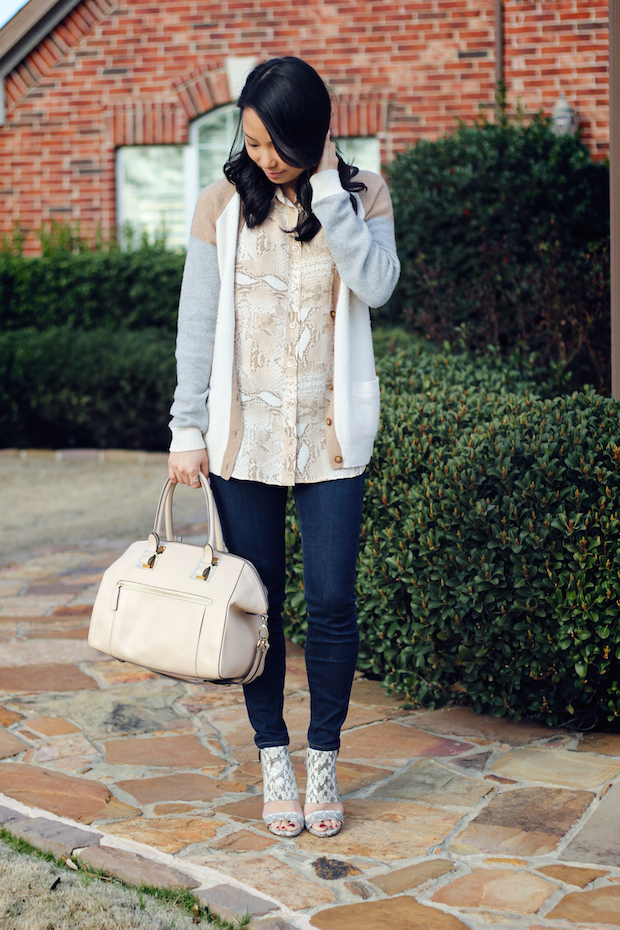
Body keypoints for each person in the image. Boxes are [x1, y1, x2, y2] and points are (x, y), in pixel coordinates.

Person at [168, 57, 400, 838]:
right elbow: (197, 325)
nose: (263, 157)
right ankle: (274, 755)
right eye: (253, 139)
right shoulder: (221, 204)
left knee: (332, 604)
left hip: (331, 438)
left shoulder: (363, 193)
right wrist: (185, 428)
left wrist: (329, 192)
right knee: (257, 607)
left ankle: (324, 756)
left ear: (314, 134)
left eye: (278, 144)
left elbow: (377, 285)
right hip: (243, 444)